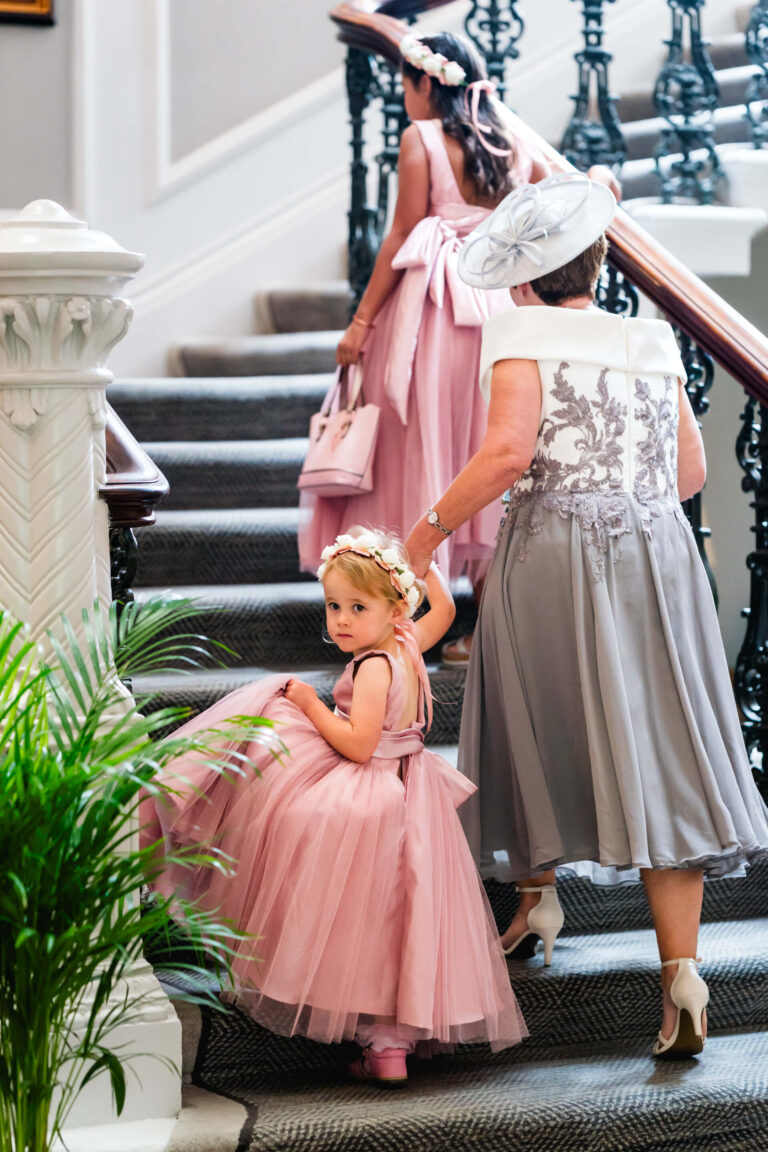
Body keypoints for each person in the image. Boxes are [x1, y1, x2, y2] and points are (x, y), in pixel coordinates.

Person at [404, 173, 768, 1060]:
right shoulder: (652, 338)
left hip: (558, 547)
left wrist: (424, 534)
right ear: (599, 267)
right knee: (659, 744)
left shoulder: (518, 328)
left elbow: (506, 453)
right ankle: (681, 971)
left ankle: (536, 899)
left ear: (524, 278)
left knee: (535, 718)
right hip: (659, 554)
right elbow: (688, 474)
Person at [143, 527, 527, 1084]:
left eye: (356, 606)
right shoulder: (404, 643)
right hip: (413, 794)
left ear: (394, 606)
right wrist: (422, 563)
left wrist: (309, 703)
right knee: (404, 916)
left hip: (372, 789)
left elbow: (358, 743)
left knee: (363, 918)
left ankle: (378, 1039)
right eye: (333, 605)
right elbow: (442, 608)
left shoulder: (375, 663)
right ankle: (392, 1044)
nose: (341, 619)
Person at [299, 31, 619, 665]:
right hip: (497, 308)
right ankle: (490, 625)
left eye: (407, 85)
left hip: (431, 313)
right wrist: (605, 179)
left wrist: (360, 326)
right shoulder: (516, 143)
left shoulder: (420, 141)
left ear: (427, 84)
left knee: (424, 451)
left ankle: (408, 619)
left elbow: (396, 240)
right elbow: (580, 195)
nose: (403, 97)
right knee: (481, 452)